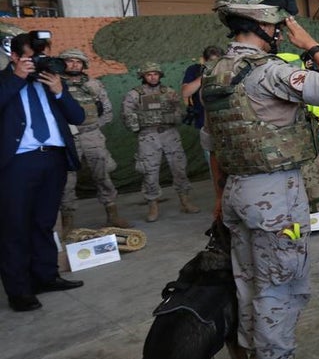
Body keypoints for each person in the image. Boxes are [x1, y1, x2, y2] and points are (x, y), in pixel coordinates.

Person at [201, 0, 319, 359]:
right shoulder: (269, 72)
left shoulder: (215, 74)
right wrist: (312, 45)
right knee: (279, 290)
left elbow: (213, 146)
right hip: (274, 196)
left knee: (247, 283)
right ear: (269, 23)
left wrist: (219, 198)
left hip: (235, 193)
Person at [0, 31, 86, 311]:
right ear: (14, 57)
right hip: (18, 164)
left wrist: (60, 91)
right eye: (31, 56)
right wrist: (16, 79)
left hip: (54, 160)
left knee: (44, 223)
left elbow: (78, 117)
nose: (38, 62)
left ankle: (46, 277)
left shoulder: (51, 83)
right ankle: (19, 291)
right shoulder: (5, 81)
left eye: (42, 56)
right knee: (15, 228)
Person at [59, 49, 131, 230]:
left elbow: (106, 111)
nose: (74, 64)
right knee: (66, 180)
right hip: (67, 138)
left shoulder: (94, 85)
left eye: (78, 61)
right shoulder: (55, 84)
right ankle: (67, 224)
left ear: (84, 65)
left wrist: (92, 127)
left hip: (92, 136)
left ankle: (112, 215)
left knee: (103, 175)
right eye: (70, 61)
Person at [122, 63, 199, 222]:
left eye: (155, 74)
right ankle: (153, 205)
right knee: (149, 172)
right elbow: (127, 114)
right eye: (149, 74)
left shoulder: (169, 92)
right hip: (148, 135)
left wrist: (177, 117)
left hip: (170, 133)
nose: (152, 77)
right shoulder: (134, 94)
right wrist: (138, 129)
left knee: (179, 168)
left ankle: (185, 201)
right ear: (143, 76)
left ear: (160, 75)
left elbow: (178, 111)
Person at [181, 45, 224, 131]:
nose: (215, 65)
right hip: (204, 121)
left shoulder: (227, 70)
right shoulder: (194, 70)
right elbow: (185, 92)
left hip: (225, 120)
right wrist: (205, 74)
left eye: (218, 62)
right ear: (204, 61)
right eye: (211, 61)